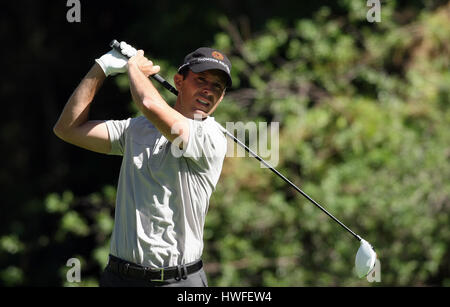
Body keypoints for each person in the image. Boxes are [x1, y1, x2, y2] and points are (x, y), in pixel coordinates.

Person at [53, 41, 232, 287]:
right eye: (201, 80)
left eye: (217, 87)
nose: (208, 90)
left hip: (177, 281)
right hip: (119, 278)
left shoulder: (211, 137)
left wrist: (134, 68)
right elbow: (67, 129)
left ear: (221, 97)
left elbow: (149, 105)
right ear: (179, 82)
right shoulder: (136, 129)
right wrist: (101, 67)